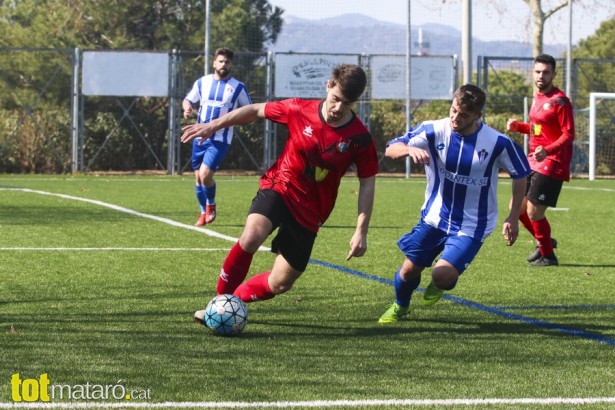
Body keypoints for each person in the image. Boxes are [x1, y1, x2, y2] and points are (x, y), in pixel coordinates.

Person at [180, 64, 378, 322]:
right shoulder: (298, 109)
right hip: (280, 186)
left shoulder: (359, 138)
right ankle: (215, 307)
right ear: (328, 87)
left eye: (347, 103)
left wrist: (360, 230)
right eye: (336, 99)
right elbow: (254, 109)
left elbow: (367, 182)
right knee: (251, 236)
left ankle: (233, 302)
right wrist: (213, 125)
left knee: (280, 283)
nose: (338, 108)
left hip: (312, 209)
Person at [378, 84, 531, 324]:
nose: (455, 118)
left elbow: (521, 173)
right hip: (434, 217)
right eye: (454, 110)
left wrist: (512, 217)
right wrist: (409, 150)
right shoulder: (433, 130)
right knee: (408, 270)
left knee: (441, 277)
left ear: (477, 116)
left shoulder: (497, 142)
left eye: (464, 115)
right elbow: (390, 148)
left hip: (472, 224)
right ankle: (401, 305)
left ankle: (444, 281)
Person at [507, 54, 575, 267]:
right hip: (533, 160)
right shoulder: (537, 98)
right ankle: (544, 241)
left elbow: (568, 134)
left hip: (552, 162)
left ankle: (548, 255)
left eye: (546, 72)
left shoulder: (560, 101)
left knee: (534, 211)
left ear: (553, 75)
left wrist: (547, 150)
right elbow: (539, 129)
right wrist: (520, 127)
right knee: (515, 208)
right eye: (538, 72)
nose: (541, 76)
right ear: (533, 73)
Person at [182, 47, 252, 227]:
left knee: (205, 175)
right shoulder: (202, 82)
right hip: (199, 137)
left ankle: (211, 205)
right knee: (198, 177)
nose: (223, 64)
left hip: (220, 139)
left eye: (227, 62)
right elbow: (188, 99)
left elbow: (249, 111)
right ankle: (202, 212)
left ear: (231, 64)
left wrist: (235, 121)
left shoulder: (237, 87)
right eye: (220, 61)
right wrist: (187, 107)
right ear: (214, 63)